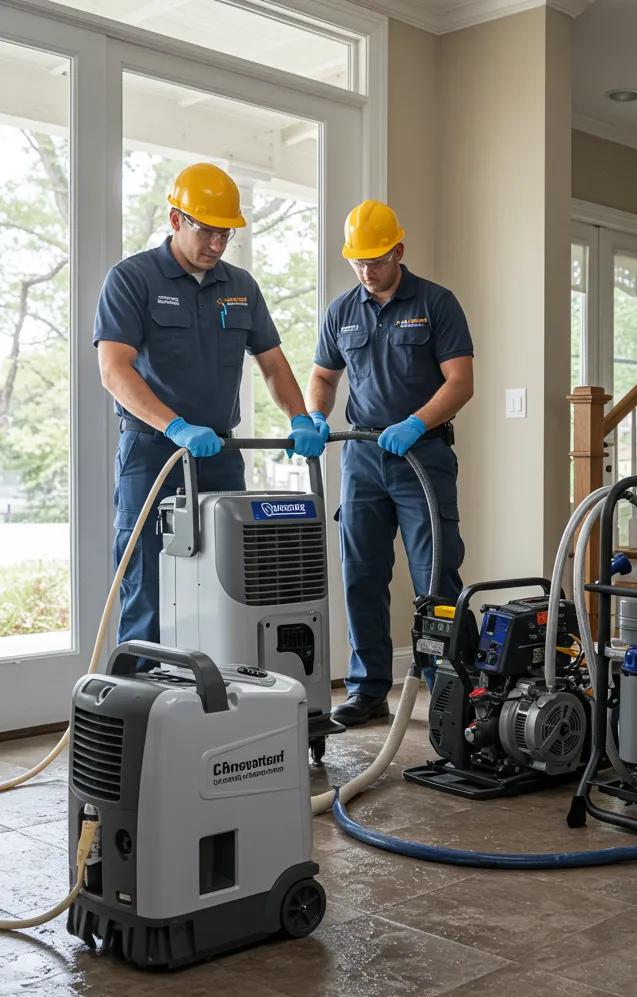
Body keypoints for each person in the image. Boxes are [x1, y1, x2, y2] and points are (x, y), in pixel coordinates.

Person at [95, 162, 324, 651]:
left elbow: (272, 363)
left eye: (225, 234)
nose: (217, 245)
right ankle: (142, 710)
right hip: (153, 452)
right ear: (176, 219)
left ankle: (217, 704)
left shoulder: (240, 286)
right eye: (207, 231)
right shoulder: (132, 279)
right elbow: (115, 370)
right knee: (148, 585)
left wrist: (300, 416)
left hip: (219, 455)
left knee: (228, 582)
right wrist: (174, 426)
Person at [306, 200, 473, 726]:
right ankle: (368, 690)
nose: (366, 270)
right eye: (357, 261)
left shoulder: (437, 303)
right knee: (362, 575)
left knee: (435, 576)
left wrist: (416, 424)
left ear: (399, 250)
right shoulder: (341, 311)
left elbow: (460, 382)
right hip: (362, 459)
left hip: (421, 456)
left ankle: (450, 689)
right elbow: (324, 378)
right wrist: (313, 415)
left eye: (376, 259)